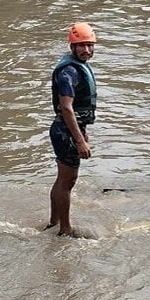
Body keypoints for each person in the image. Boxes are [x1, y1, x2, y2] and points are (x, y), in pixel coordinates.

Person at [47, 22, 97, 237]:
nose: (86, 50)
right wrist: (79, 141)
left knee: (62, 180)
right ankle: (65, 230)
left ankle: (54, 222)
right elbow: (66, 107)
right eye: (81, 46)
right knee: (68, 181)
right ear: (72, 47)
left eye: (89, 45)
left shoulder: (75, 66)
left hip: (66, 129)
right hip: (64, 132)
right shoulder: (69, 71)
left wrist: (83, 131)